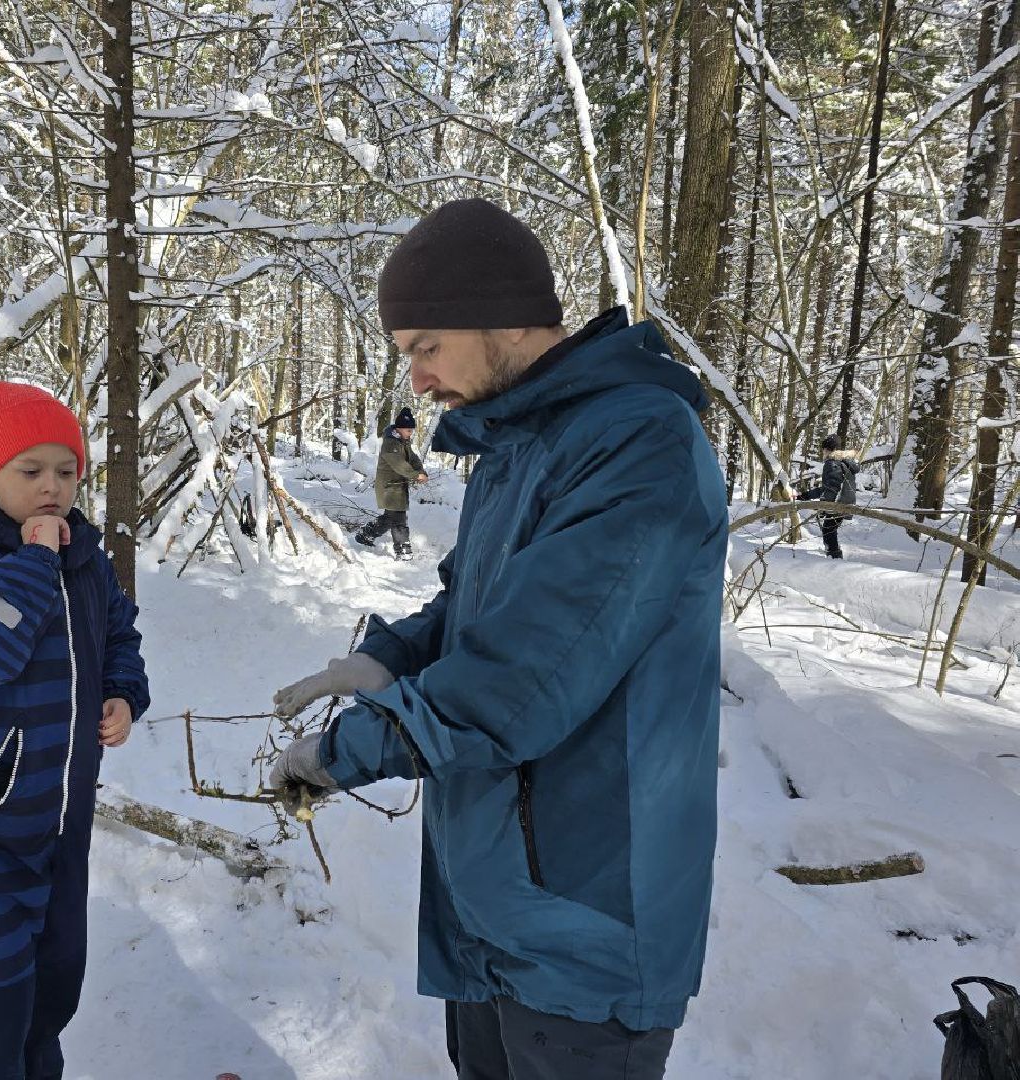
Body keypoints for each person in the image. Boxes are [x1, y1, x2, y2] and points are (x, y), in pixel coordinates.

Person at [267, 198, 728, 1080]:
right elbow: (473, 610)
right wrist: (390, 656)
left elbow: (523, 676)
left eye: (425, 348)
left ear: (501, 314)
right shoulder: (522, 446)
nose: (417, 380)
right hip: (492, 898)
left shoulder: (638, 442)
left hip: (586, 916)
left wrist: (344, 751)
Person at [0, 381, 149, 1079]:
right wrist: (34, 564)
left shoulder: (88, 562)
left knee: (46, 1002)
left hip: (61, 828)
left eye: (67, 471)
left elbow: (120, 634)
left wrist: (122, 692)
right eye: (31, 471)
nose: (53, 487)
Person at [356, 406, 429, 559]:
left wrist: (420, 471)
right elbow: (399, 465)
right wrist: (416, 475)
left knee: (393, 517)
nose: (411, 433)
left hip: (397, 486)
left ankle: (367, 535)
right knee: (397, 517)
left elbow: (412, 458)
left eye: (411, 430)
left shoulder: (403, 441)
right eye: (409, 430)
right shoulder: (391, 444)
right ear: (400, 428)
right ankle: (402, 548)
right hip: (389, 487)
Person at [801, 434, 859, 558]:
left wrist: (824, 504)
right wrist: (807, 495)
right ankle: (834, 554)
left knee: (828, 529)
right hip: (846, 501)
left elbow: (831, 487)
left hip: (837, 503)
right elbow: (832, 487)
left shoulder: (832, 463)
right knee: (830, 529)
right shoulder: (845, 462)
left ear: (829, 449)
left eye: (824, 448)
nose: (823, 451)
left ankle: (834, 558)